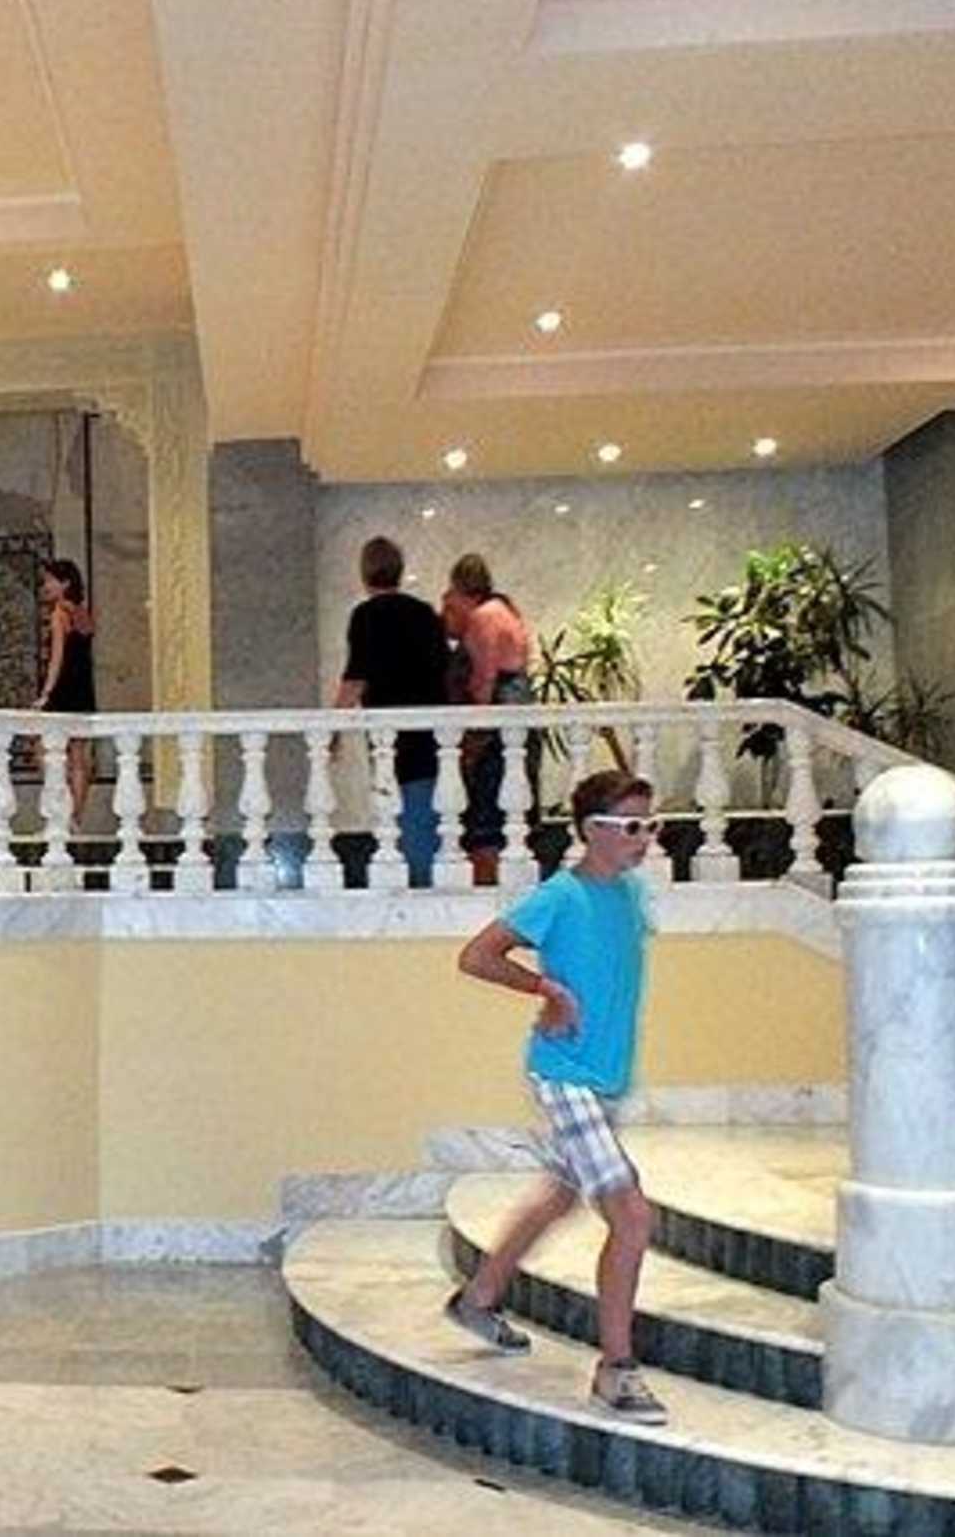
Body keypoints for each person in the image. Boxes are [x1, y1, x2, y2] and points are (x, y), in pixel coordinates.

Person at [444, 770, 670, 1426]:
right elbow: (477, 956)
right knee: (631, 1216)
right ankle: (616, 1369)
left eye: (650, 825)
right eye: (632, 827)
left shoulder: (630, 894)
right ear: (592, 831)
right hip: (564, 1076)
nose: (645, 839)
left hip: (602, 1079)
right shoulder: (559, 897)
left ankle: (479, 1298)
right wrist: (545, 990)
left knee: (560, 1195)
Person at [332, 536, 448, 887]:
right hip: (430, 729)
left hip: (387, 730)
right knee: (424, 809)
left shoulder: (366, 616)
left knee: (395, 807)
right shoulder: (425, 613)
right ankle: (426, 880)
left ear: (364, 573)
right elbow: (444, 667)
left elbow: (356, 679)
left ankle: (411, 881)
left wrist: (333, 729)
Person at [442, 553, 535, 885]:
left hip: (499, 721)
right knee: (512, 812)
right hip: (520, 714)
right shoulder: (507, 610)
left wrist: (472, 740)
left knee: (487, 817)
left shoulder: (484, 618)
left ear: (461, 590)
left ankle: (489, 889)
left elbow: (484, 679)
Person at [30, 557, 97, 810]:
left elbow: (57, 657)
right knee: (78, 755)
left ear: (65, 583)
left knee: (43, 749)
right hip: (83, 688)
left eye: (50, 581)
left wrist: (47, 693)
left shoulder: (60, 613)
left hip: (64, 688)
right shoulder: (82, 613)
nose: (46, 586)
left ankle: (62, 805)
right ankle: (77, 814)